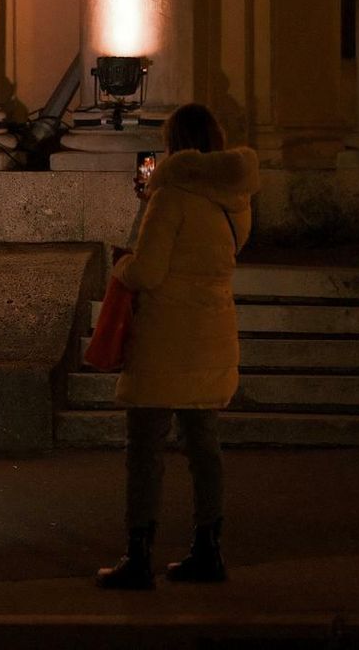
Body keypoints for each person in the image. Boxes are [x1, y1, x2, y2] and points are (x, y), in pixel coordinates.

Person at [96, 103, 260, 590]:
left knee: (145, 450)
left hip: (165, 338)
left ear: (175, 144)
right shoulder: (236, 198)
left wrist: (121, 264)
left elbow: (147, 271)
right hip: (213, 333)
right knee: (204, 448)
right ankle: (208, 549)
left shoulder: (171, 196)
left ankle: (139, 555)